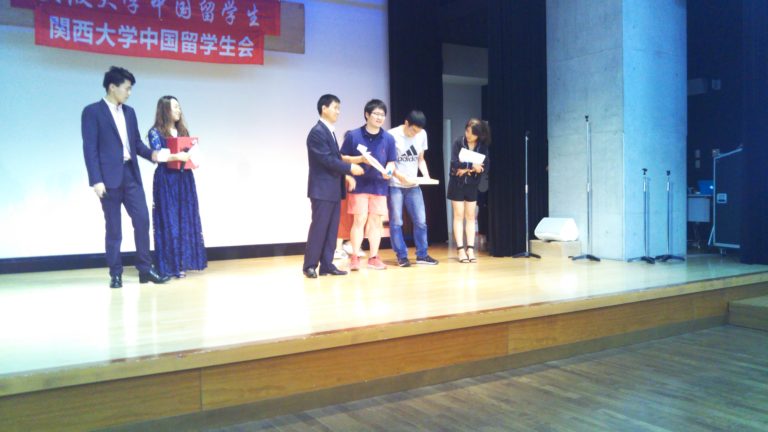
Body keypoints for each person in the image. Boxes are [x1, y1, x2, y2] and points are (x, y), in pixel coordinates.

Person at [82, 66, 173, 288]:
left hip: (131, 175)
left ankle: (145, 269)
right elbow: (90, 148)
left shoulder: (130, 112)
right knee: (114, 229)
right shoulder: (92, 112)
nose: (129, 93)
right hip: (108, 179)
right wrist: (96, 180)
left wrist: (153, 155)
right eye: (127, 88)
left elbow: (136, 143)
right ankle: (116, 273)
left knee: (142, 220)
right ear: (112, 87)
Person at [303, 94, 365, 278]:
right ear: (324, 108)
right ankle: (310, 265)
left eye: (339, 108)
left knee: (331, 230)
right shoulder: (317, 132)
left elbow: (335, 159)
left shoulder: (329, 131)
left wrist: (346, 175)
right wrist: (350, 168)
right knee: (319, 228)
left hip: (332, 189)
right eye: (335, 108)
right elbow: (327, 160)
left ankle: (327, 265)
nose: (338, 112)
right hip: (322, 190)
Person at [148, 96, 207, 278]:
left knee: (184, 217)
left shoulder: (183, 131)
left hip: (184, 179)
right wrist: (176, 156)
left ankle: (184, 261)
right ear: (165, 109)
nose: (179, 110)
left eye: (179, 107)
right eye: (175, 107)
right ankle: (169, 264)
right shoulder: (155, 132)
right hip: (166, 180)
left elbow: (192, 153)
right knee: (169, 219)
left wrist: (194, 156)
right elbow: (158, 154)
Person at [340, 99, 398, 271]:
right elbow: (342, 158)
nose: (380, 118)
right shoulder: (353, 135)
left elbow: (391, 162)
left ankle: (373, 257)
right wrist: (358, 161)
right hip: (359, 186)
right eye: (376, 114)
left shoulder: (388, 138)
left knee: (375, 222)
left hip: (379, 186)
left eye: (382, 115)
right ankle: (355, 257)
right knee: (359, 220)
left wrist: (389, 171)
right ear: (367, 115)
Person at [387, 110, 439, 267]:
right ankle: (402, 256)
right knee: (396, 222)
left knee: (421, 221)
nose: (415, 134)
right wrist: (398, 176)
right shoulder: (391, 135)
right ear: (406, 123)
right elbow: (387, 163)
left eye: (418, 131)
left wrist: (426, 175)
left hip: (413, 185)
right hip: (395, 185)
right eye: (413, 130)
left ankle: (422, 255)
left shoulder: (422, 134)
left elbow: (420, 159)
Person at [447, 118, 491, 263]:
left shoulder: (482, 146)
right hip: (457, 183)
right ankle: (460, 249)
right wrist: (472, 166)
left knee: (471, 216)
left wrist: (467, 169)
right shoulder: (458, 142)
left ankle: (470, 249)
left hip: (472, 185)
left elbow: (485, 167)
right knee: (458, 215)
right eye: (467, 131)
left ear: (479, 135)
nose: (468, 135)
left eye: (472, 133)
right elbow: (454, 164)